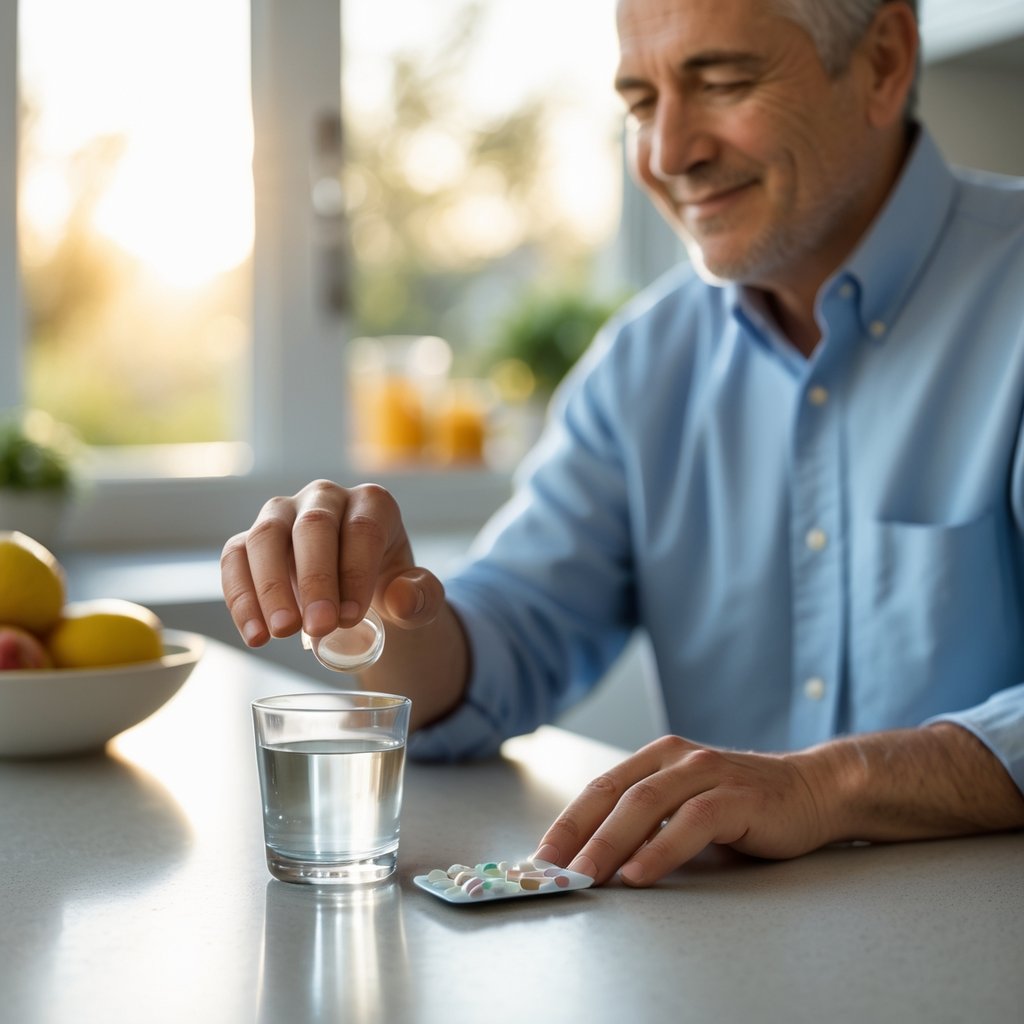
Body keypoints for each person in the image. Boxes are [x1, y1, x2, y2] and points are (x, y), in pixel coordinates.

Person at [221, 0, 1024, 886]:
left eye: (721, 82)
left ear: (882, 61)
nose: (669, 152)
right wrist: (389, 604)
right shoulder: (645, 360)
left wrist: (827, 786)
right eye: (641, 103)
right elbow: (507, 643)